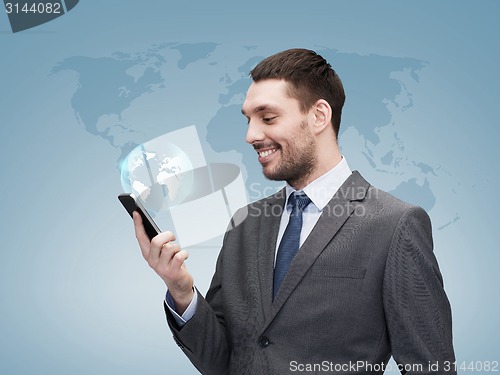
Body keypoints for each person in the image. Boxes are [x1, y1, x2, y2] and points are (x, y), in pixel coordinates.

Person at [133, 48, 456, 374]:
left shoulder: (394, 225)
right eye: (248, 119)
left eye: (268, 118)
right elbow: (224, 361)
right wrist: (181, 290)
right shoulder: (244, 225)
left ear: (319, 116)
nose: (251, 135)